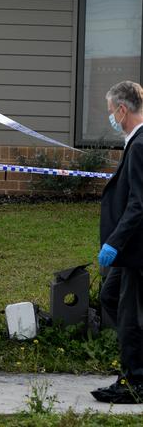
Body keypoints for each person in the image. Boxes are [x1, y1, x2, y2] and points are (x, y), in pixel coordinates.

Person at [91, 80, 143, 404]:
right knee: (110, 298)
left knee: (129, 316)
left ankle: (133, 384)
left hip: (135, 250)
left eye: (111, 111)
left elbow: (139, 202)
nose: (111, 117)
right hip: (129, 252)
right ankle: (131, 370)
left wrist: (114, 242)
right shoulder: (134, 141)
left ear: (122, 110)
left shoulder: (139, 145)